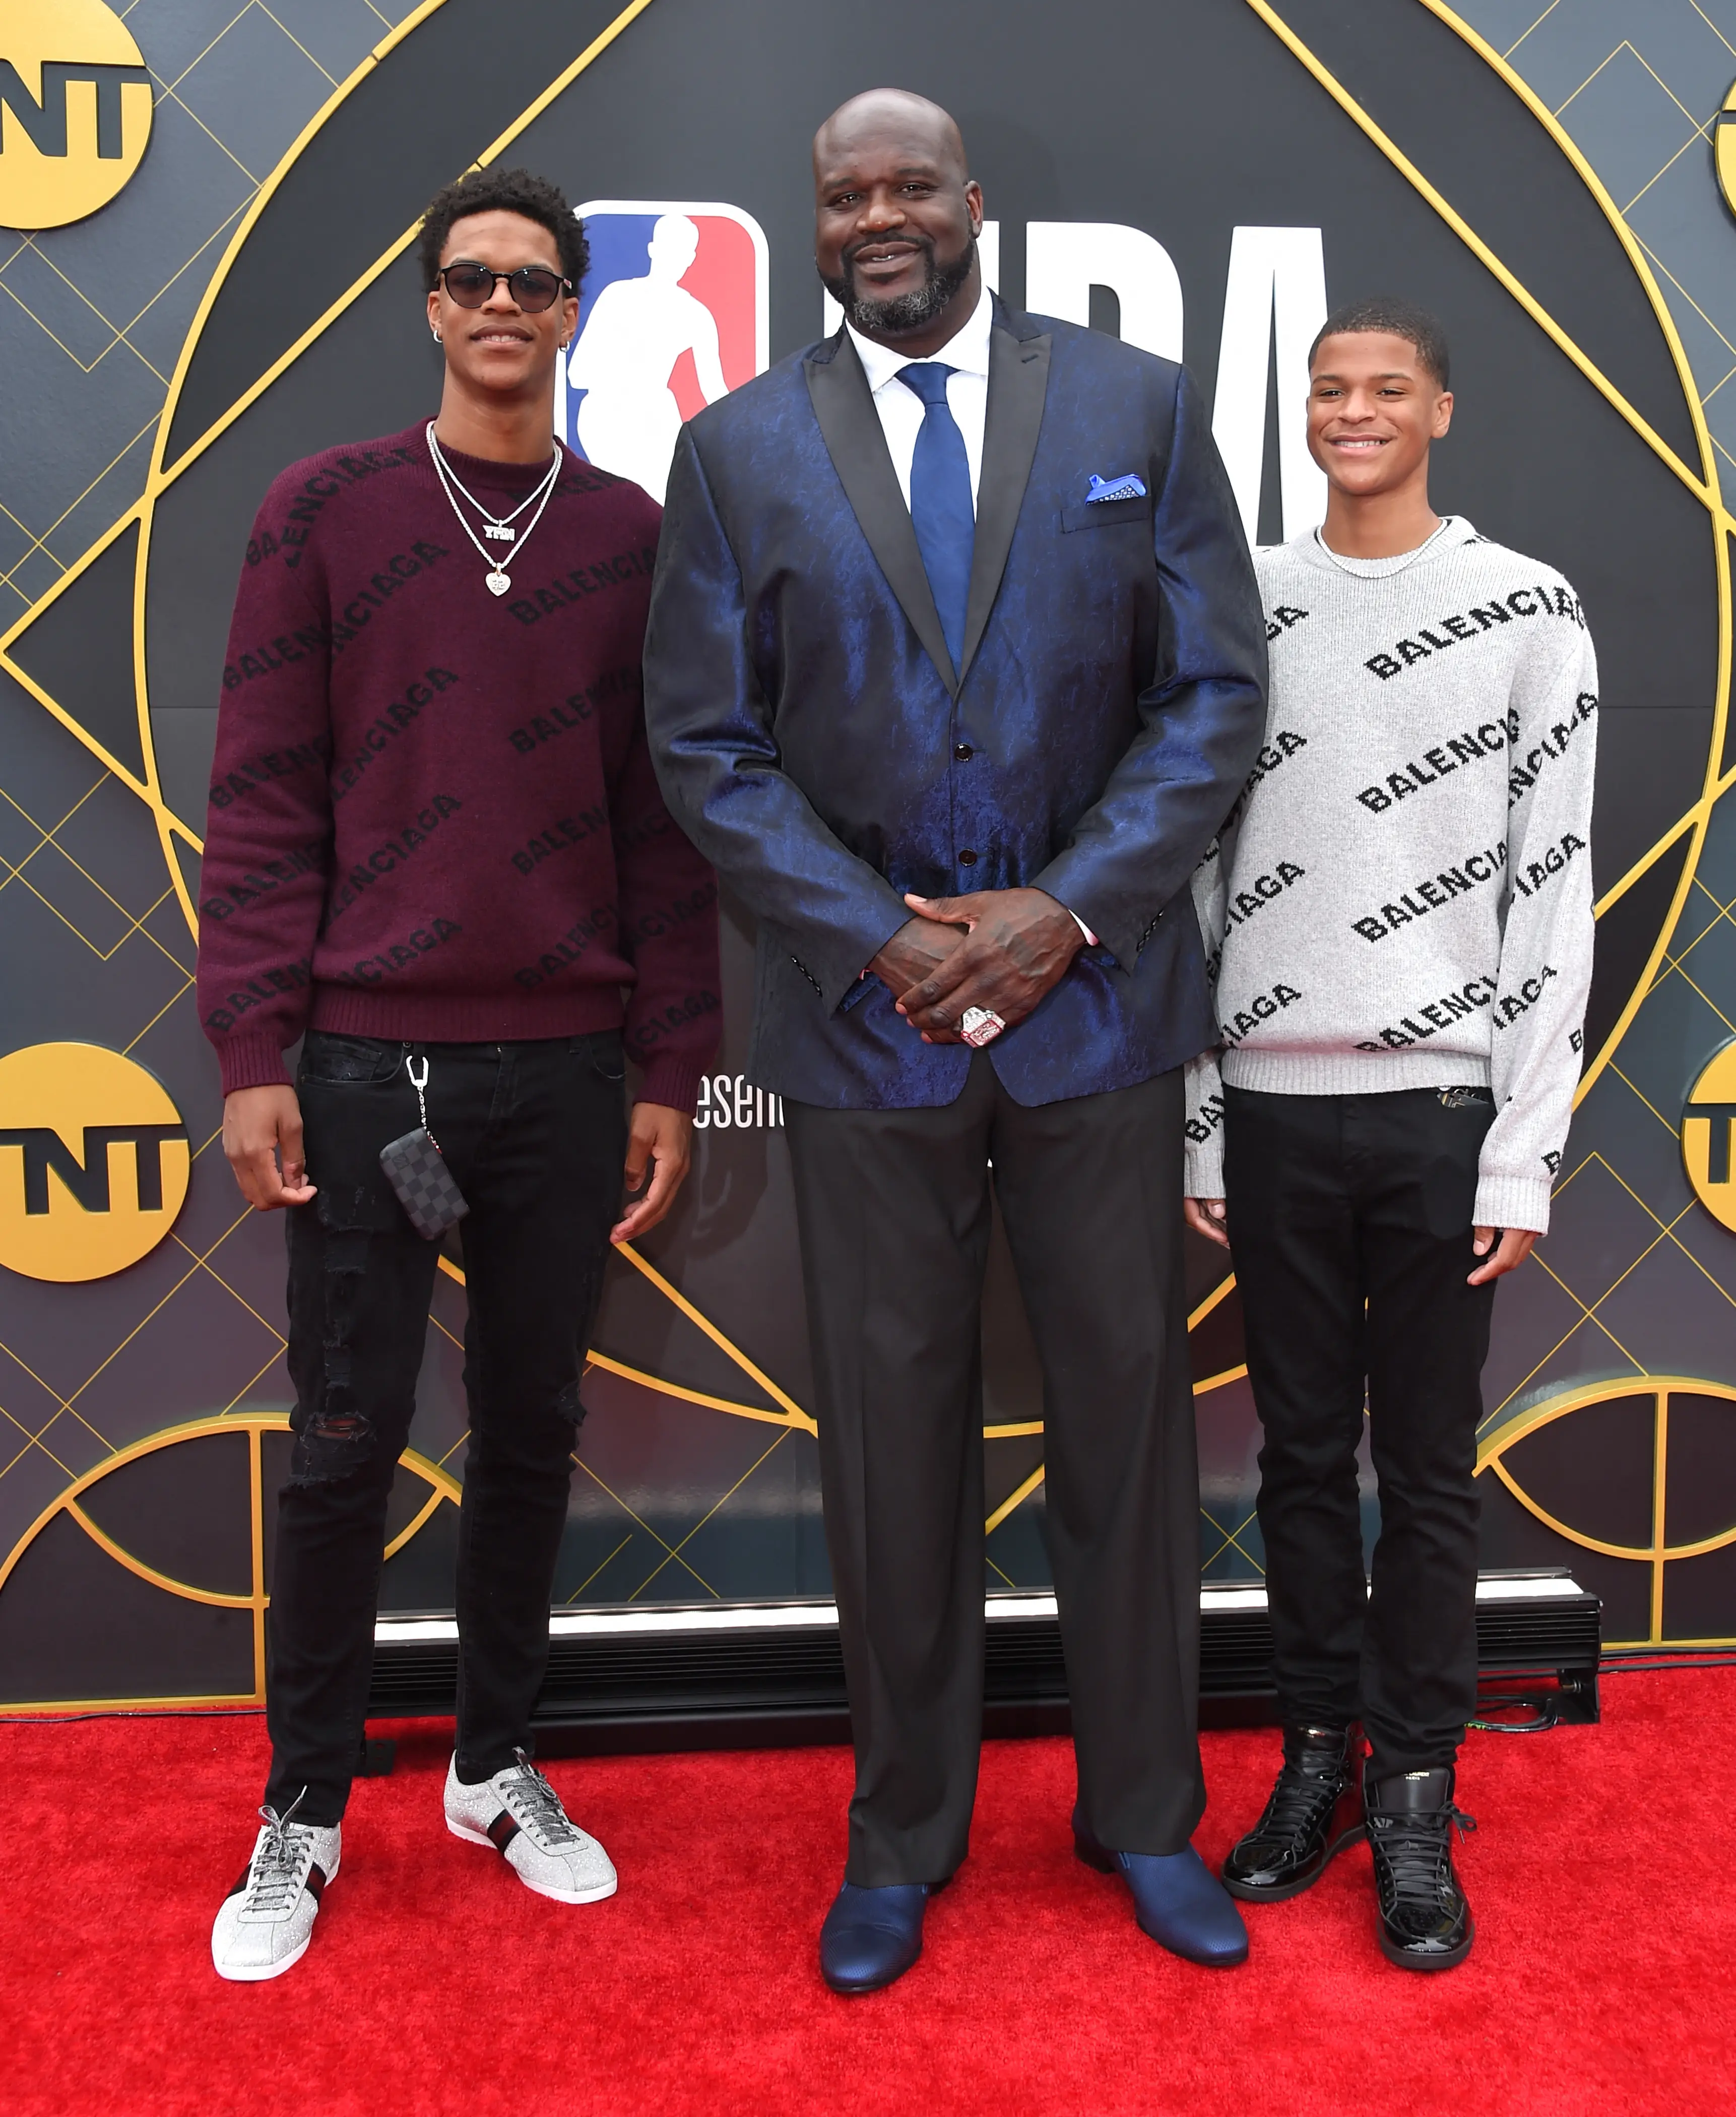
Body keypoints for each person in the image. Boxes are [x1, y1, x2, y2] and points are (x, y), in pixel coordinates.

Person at [644, 89, 1266, 1994]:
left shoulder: (1136, 407)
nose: (879, 216)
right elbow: (705, 745)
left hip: (1094, 1009)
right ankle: (901, 1830)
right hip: (865, 1032)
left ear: (976, 204)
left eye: (910, 184)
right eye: (846, 195)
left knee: (1129, 1439)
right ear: (816, 223)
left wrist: (1062, 905)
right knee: (888, 1453)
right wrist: (873, 931)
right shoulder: (738, 449)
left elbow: (1215, 692)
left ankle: (1144, 1812)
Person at [197, 166, 720, 1982]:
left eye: (535, 280)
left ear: (574, 309)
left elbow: (663, 823)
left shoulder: (635, 533)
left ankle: (498, 1763)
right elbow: (260, 796)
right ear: (429, 303)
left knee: (531, 1436)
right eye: (469, 277)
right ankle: (306, 1802)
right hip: (368, 1077)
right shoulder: (320, 511)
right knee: (342, 1444)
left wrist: (671, 1059)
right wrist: (256, 1044)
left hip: (566, 1075)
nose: (503, 304)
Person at [1185, 297, 1596, 1971]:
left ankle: (1415, 1798)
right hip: (1273, 1116)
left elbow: (1547, 891)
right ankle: (1312, 1767)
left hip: (1439, 1121)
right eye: (1326, 391)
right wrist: (1206, 1123)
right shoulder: (1246, 602)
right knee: (1294, 1465)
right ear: (1302, 413)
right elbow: (1199, 880)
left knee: (1422, 1472)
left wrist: (1520, 1148)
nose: (1352, 412)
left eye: (1383, 390)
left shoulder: (1523, 611)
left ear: (1438, 409)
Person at [569, 213, 729, 502]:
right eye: (671, 248)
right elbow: (577, 373)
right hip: (606, 416)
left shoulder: (696, 315)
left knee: (658, 512)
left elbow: (715, 392)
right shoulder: (617, 296)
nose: (678, 260)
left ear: (692, 257)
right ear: (653, 249)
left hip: (656, 420)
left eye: (684, 252)